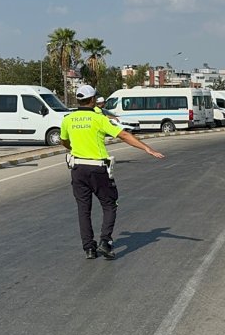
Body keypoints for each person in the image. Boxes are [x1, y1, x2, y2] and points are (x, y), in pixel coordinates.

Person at [60, 85, 165, 260]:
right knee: (109, 204)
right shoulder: (98, 118)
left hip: (78, 169)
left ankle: (89, 249)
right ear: (93, 100)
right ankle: (105, 242)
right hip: (98, 169)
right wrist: (147, 148)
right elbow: (123, 135)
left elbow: (64, 141)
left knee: (83, 209)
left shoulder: (68, 119)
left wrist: (75, 149)